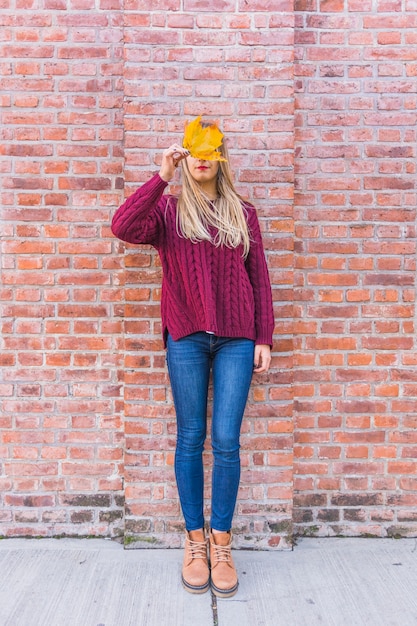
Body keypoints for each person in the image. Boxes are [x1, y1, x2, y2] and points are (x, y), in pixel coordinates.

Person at [111, 118, 274, 599]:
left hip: (237, 340)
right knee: (190, 437)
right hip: (185, 336)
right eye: (193, 150)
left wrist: (263, 335)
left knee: (226, 440)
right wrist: (162, 174)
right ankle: (194, 540)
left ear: (222, 157)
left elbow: (259, 277)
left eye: (211, 150)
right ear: (185, 155)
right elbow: (122, 226)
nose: (201, 158)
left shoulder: (243, 213)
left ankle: (222, 542)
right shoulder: (167, 211)